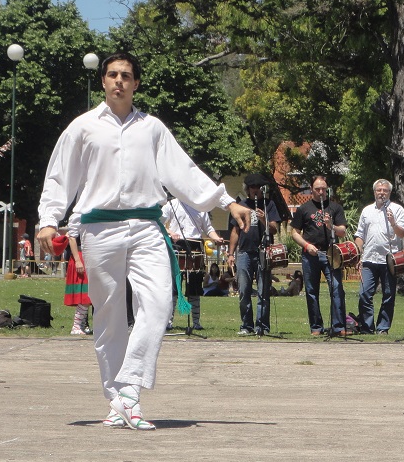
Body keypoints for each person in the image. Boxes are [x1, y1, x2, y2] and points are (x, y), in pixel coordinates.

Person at [36, 52, 250, 430]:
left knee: (158, 305)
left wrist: (226, 200)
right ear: (103, 81)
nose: (119, 81)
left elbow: (183, 172)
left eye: (127, 76)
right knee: (108, 317)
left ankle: (130, 388)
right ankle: (117, 401)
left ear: (136, 84)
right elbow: (59, 178)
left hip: (148, 227)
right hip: (99, 230)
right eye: (113, 74)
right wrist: (47, 221)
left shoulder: (152, 128)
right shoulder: (82, 128)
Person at [290, 175, 348, 336]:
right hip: (311, 255)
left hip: (331, 253)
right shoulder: (304, 209)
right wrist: (307, 246)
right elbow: (294, 233)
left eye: (324, 189)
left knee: (336, 288)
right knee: (311, 291)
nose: (321, 192)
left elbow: (342, 231)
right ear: (311, 189)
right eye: (317, 189)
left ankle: (339, 326)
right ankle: (316, 326)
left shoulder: (335, 208)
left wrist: (331, 226)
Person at [227, 174, 281, 336]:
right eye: (252, 188)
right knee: (244, 290)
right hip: (244, 252)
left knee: (264, 290)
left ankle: (262, 325)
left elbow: (274, 229)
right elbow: (235, 231)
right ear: (248, 189)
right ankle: (246, 325)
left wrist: (264, 219)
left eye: (258, 188)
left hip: (264, 251)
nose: (255, 191)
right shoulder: (241, 206)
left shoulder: (269, 205)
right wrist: (231, 253)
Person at [354, 178, 404, 335]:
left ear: (390, 193)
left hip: (389, 260)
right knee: (364, 293)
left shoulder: (397, 210)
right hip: (369, 258)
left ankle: (383, 327)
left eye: (385, 190)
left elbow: (402, 233)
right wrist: (358, 254)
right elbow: (360, 235)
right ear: (374, 192)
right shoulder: (367, 211)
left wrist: (393, 223)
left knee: (388, 295)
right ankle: (366, 327)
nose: (382, 193)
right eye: (379, 190)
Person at [161, 197, 225, 331]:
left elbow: (208, 228)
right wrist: (171, 233)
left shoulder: (200, 206)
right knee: (173, 287)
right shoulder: (172, 204)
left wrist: (216, 238)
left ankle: (196, 322)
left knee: (194, 288)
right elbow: (159, 223)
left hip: (195, 247)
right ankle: (168, 321)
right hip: (177, 246)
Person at [64, 214, 93, 335]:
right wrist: (77, 260)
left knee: (88, 295)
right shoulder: (78, 216)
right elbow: (71, 238)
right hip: (80, 257)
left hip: (87, 256)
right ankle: (76, 325)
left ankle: (80, 325)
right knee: (85, 295)